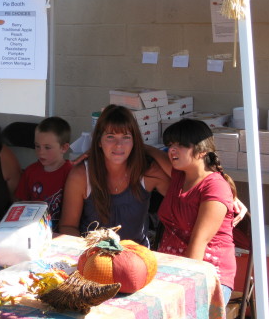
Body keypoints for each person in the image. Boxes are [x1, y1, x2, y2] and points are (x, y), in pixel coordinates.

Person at [152, 118, 238, 306]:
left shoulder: (215, 187)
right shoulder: (178, 175)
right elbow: (153, 152)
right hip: (170, 268)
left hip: (206, 275)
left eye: (181, 145)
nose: (172, 150)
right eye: (170, 145)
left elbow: (199, 243)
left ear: (202, 151)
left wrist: (182, 291)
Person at [59, 105, 170, 247]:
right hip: (93, 255)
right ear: (99, 141)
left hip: (137, 257)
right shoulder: (81, 175)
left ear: (135, 142)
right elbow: (68, 226)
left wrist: (147, 149)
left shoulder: (148, 171)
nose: (118, 145)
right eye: (110, 137)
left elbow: (186, 188)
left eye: (126, 137)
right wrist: (87, 253)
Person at [15, 117, 72, 231]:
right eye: (37, 146)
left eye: (47, 147)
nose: (41, 152)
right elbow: (20, 203)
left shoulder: (72, 173)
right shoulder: (30, 171)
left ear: (64, 148)